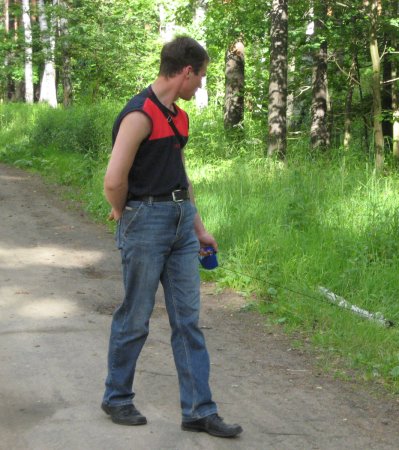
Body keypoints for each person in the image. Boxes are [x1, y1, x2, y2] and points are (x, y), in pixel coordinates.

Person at [101, 36, 242, 439]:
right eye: (200, 77)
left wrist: (199, 228)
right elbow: (114, 180)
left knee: (187, 321)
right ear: (186, 72)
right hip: (145, 221)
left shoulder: (178, 118)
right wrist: (122, 210)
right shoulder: (139, 114)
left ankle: (199, 410)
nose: (200, 84)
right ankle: (117, 397)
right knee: (136, 316)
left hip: (181, 223)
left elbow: (181, 176)